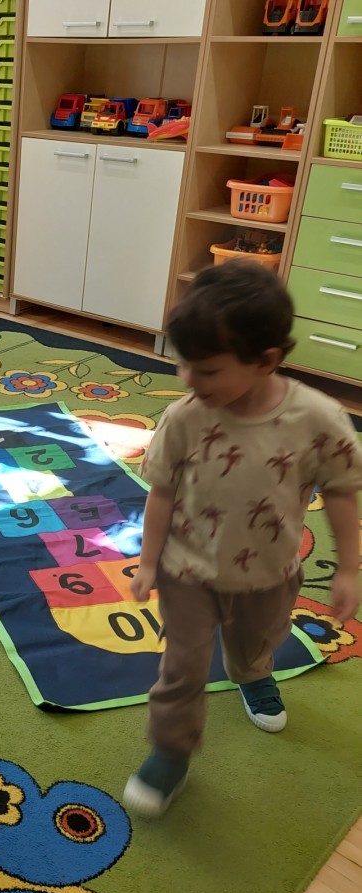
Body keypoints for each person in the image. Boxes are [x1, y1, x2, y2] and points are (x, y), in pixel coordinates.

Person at [123, 259, 362, 819]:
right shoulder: (185, 418)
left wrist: (349, 568)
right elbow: (162, 492)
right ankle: (171, 751)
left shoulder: (319, 419)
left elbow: (342, 492)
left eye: (206, 370)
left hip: (269, 573)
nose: (188, 380)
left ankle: (253, 675)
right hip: (187, 570)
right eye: (183, 363)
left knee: (256, 644)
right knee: (181, 666)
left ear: (266, 361)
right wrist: (149, 561)